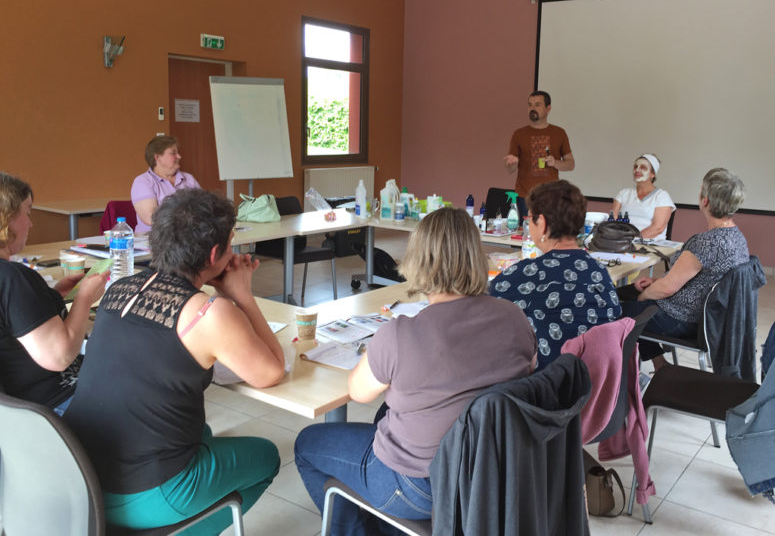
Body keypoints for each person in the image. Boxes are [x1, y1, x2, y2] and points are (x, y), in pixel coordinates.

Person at [294, 208, 537, 536]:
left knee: (307, 444)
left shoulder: (400, 334)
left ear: (419, 260)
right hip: (488, 475)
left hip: (419, 486)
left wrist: (377, 352)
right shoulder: (514, 318)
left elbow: (359, 391)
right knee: (386, 413)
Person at [64, 188, 285, 534]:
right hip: (146, 490)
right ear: (215, 253)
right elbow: (270, 371)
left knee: (205, 433)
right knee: (267, 457)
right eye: (230, 245)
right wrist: (242, 295)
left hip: (81, 474)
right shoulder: (209, 313)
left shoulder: (119, 289)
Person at [620, 168, 749, 371]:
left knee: (613, 310)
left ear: (704, 200)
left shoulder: (707, 243)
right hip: (706, 319)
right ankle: (660, 365)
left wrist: (646, 295)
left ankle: (612, 375)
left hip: (680, 319)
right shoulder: (738, 238)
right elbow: (697, 280)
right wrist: (656, 284)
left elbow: (667, 289)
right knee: (631, 298)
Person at [0, 172, 107, 414]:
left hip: (20, 410)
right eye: (27, 212)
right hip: (54, 407)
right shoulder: (12, 278)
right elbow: (59, 357)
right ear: (7, 217)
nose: (31, 223)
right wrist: (84, 298)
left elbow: (15, 324)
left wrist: (52, 296)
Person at [491, 180, 622, 370]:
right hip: (600, 380)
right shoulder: (598, 270)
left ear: (542, 224)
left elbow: (486, 302)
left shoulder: (529, 273)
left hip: (550, 386)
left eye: (529, 219)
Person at [503, 90, 575, 221]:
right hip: (525, 197)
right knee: (525, 237)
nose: (532, 108)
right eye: (530, 105)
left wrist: (555, 163)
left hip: (551, 197)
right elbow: (510, 169)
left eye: (537, 105)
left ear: (548, 109)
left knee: (550, 236)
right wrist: (512, 164)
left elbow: (570, 164)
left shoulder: (559, 133)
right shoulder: (519, 134)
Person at [131, 135, 200, 233]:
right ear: (157, 157)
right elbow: (151, 218)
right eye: (173, 153)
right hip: (154, 241)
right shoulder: (143, 181)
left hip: (188, 239)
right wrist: (190, 214)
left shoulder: (189, 178)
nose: (179, 156)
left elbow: (204, 208)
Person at [612, 153, 675, 240]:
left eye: (643, 167)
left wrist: (632, 239)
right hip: (622, 243)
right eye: (635, 167)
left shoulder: (662, 196)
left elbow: (658, 228)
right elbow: (612, 221)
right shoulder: (623, 193)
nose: (637, 170)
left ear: (653, 174)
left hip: (650, 246)